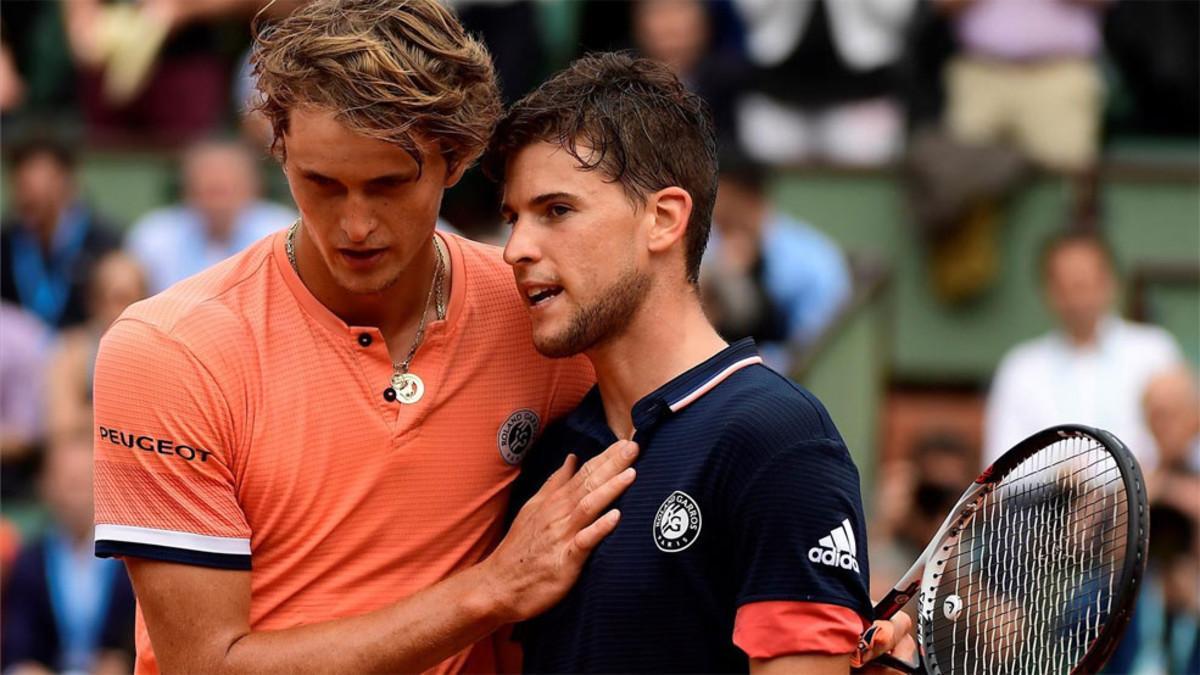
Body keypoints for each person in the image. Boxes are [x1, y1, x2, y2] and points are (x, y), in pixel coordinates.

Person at [91, 2, 638, 673]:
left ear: (458, 158)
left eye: (387, 185)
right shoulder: (168, 351)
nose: (354, 225)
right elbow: (206, 664)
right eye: (321, 183)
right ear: (279, 147)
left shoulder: (539, 317)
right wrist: (491, 589)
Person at [489, 52, 913, 673]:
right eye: (513, 219)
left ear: (663, 219)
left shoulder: (779, 439)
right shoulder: (552, 457)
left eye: (557, 211)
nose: (516, 250)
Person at [984, 231, 1184, 469]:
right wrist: (1058, 479)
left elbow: (1185, 445)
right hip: (1054, 504)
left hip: (1147, 500)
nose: (1077, 298)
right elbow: (1001, 470)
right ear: (1048, 291)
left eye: (1085, 284)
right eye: (1065, 286)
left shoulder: (1155, 351)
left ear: (1111, 283)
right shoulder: (1020, 368)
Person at [703, 151, 852, 371]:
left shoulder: (815, 261)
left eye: (714, 192)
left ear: (743, 194)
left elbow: (815, 348)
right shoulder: (704, 248)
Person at [2, 435, 137, 674]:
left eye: (84, 479)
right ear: (44, 485)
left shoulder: (131, 560)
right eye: (66, 480)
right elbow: (19, 641)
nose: (75, 491)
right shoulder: (30, 561)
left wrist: (124, 661)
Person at [125, 139, 295, 294]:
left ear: (252, 189)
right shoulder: (154, 235)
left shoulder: (282, 230)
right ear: (187, 191)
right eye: (208, 191)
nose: (217, 203)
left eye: (225, 190)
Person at [0, 137, 121, 329]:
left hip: (88, 347)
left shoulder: (104, 243)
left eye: (41, 187)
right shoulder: (6, 242)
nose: (28, 196)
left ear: (67, 182)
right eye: (22, 186)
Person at [45, 252, 147, 446]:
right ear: (93, 303)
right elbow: (60, 425)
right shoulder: (72, 350)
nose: (118, 310)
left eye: (128, 299)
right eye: (111, 299)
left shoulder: (160, 353)